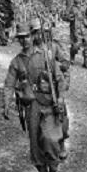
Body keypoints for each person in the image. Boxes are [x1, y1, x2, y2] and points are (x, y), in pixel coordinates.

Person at [3, 23, 66, 172]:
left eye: (27, 36)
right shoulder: (17, 62)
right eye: (21, 38)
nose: (25, 40)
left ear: (32, 36)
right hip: (31, 106)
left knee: (50, 139)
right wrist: (6, 104)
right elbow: (9, 84)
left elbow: (59, 78)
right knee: (35, 144)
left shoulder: (45, 56)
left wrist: (59, 98)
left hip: (48, 102)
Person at [30, 18, 71, 160]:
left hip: (56, 87)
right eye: (36, 33)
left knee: (61, 116)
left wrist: (56, 68)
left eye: (43, 32)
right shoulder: (31, 50)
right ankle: (45, 145)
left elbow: (66, 62)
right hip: (40, 92)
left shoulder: (54, 47)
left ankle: (61, 143)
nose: (40, 35)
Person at [62, 0, 87, 68]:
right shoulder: (71, 7)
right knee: (75, 46)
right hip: (75, 31)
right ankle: (72, 56)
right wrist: (68, 17)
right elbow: (64, 17)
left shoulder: (85, 7)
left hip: (85, 30)